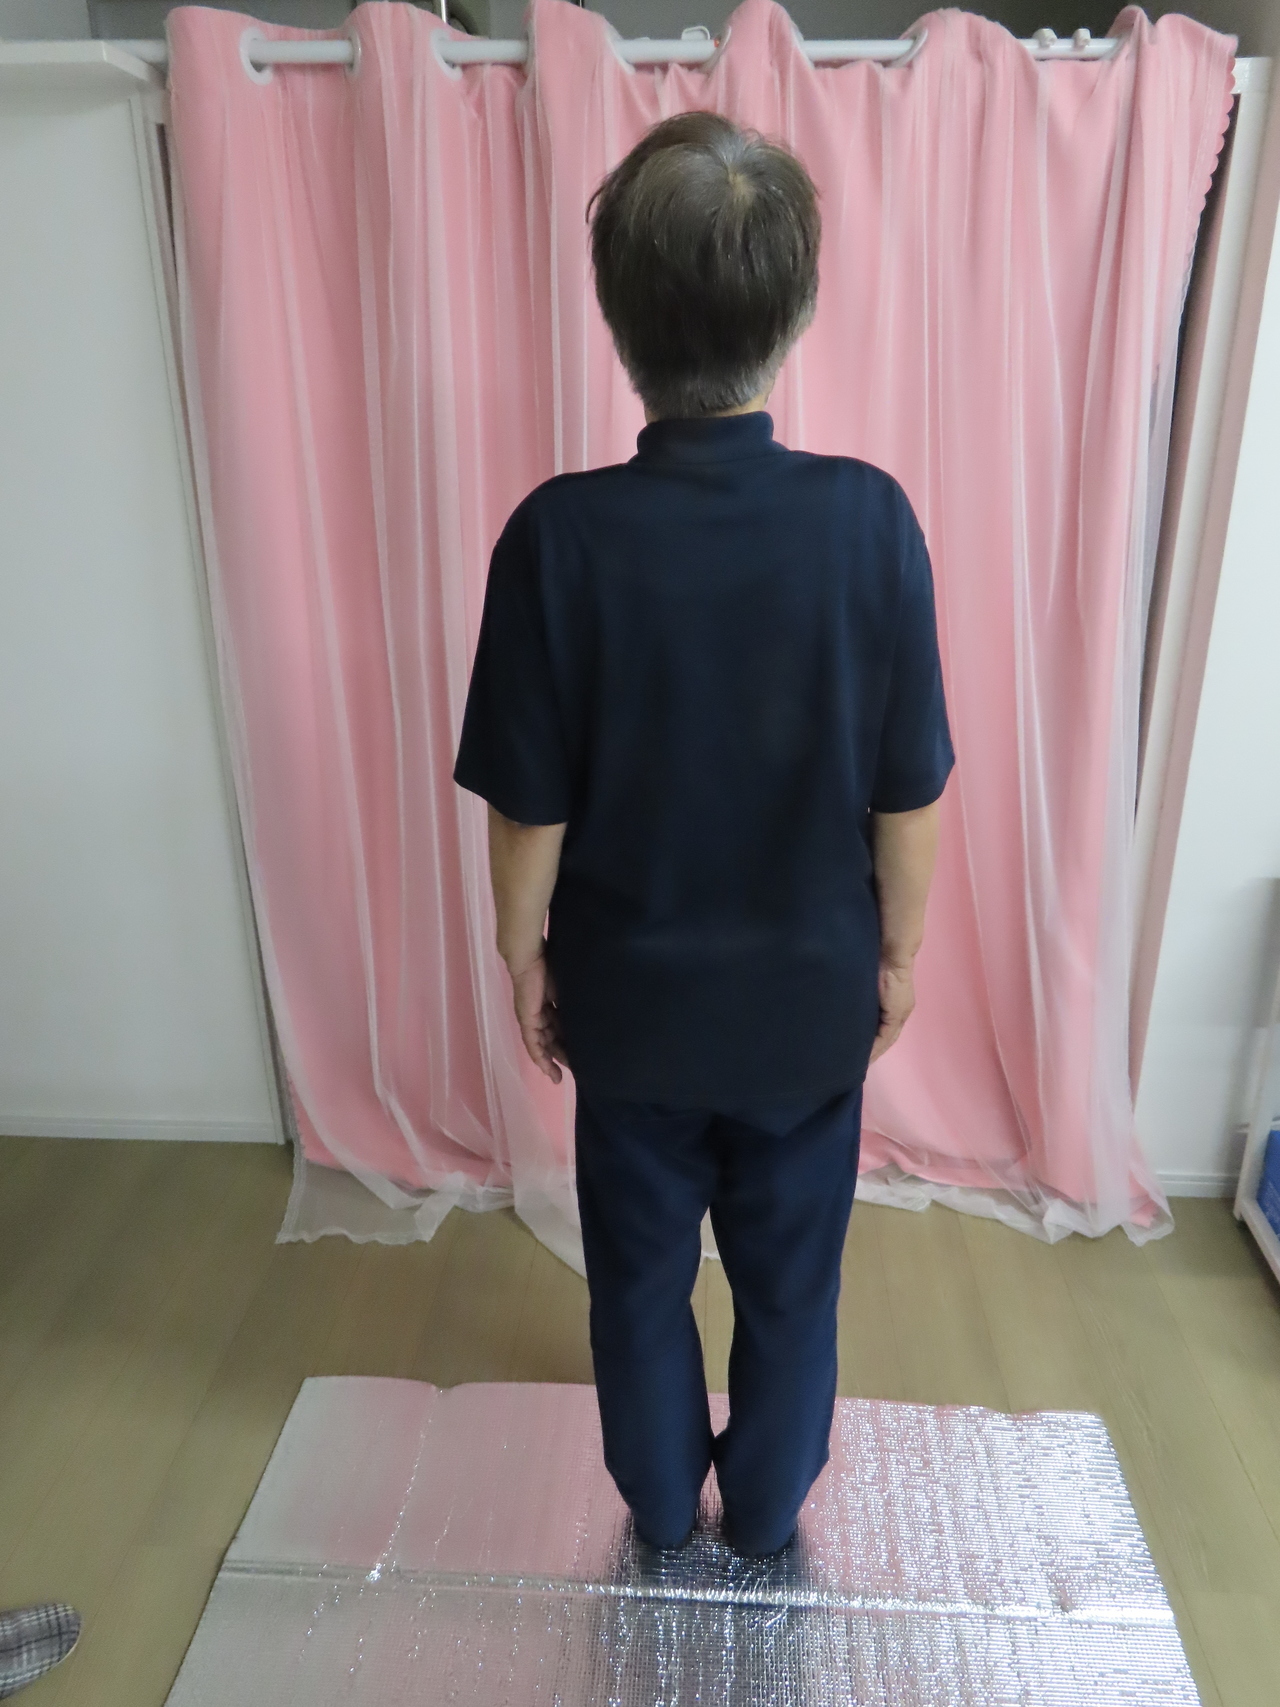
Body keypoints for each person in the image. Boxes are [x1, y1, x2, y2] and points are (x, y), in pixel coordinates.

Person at [453, 111, 954, 1559]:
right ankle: (768, 1511)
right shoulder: (871, 523)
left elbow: (528, 806)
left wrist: (521, 956)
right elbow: (908, 794)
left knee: (634, 1281)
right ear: (795, 314)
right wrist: (898, 957)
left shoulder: (556, 538)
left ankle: (665, 1509)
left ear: (618, 322)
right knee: (795, 1289)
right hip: (807, 1007)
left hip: (633, 1012)